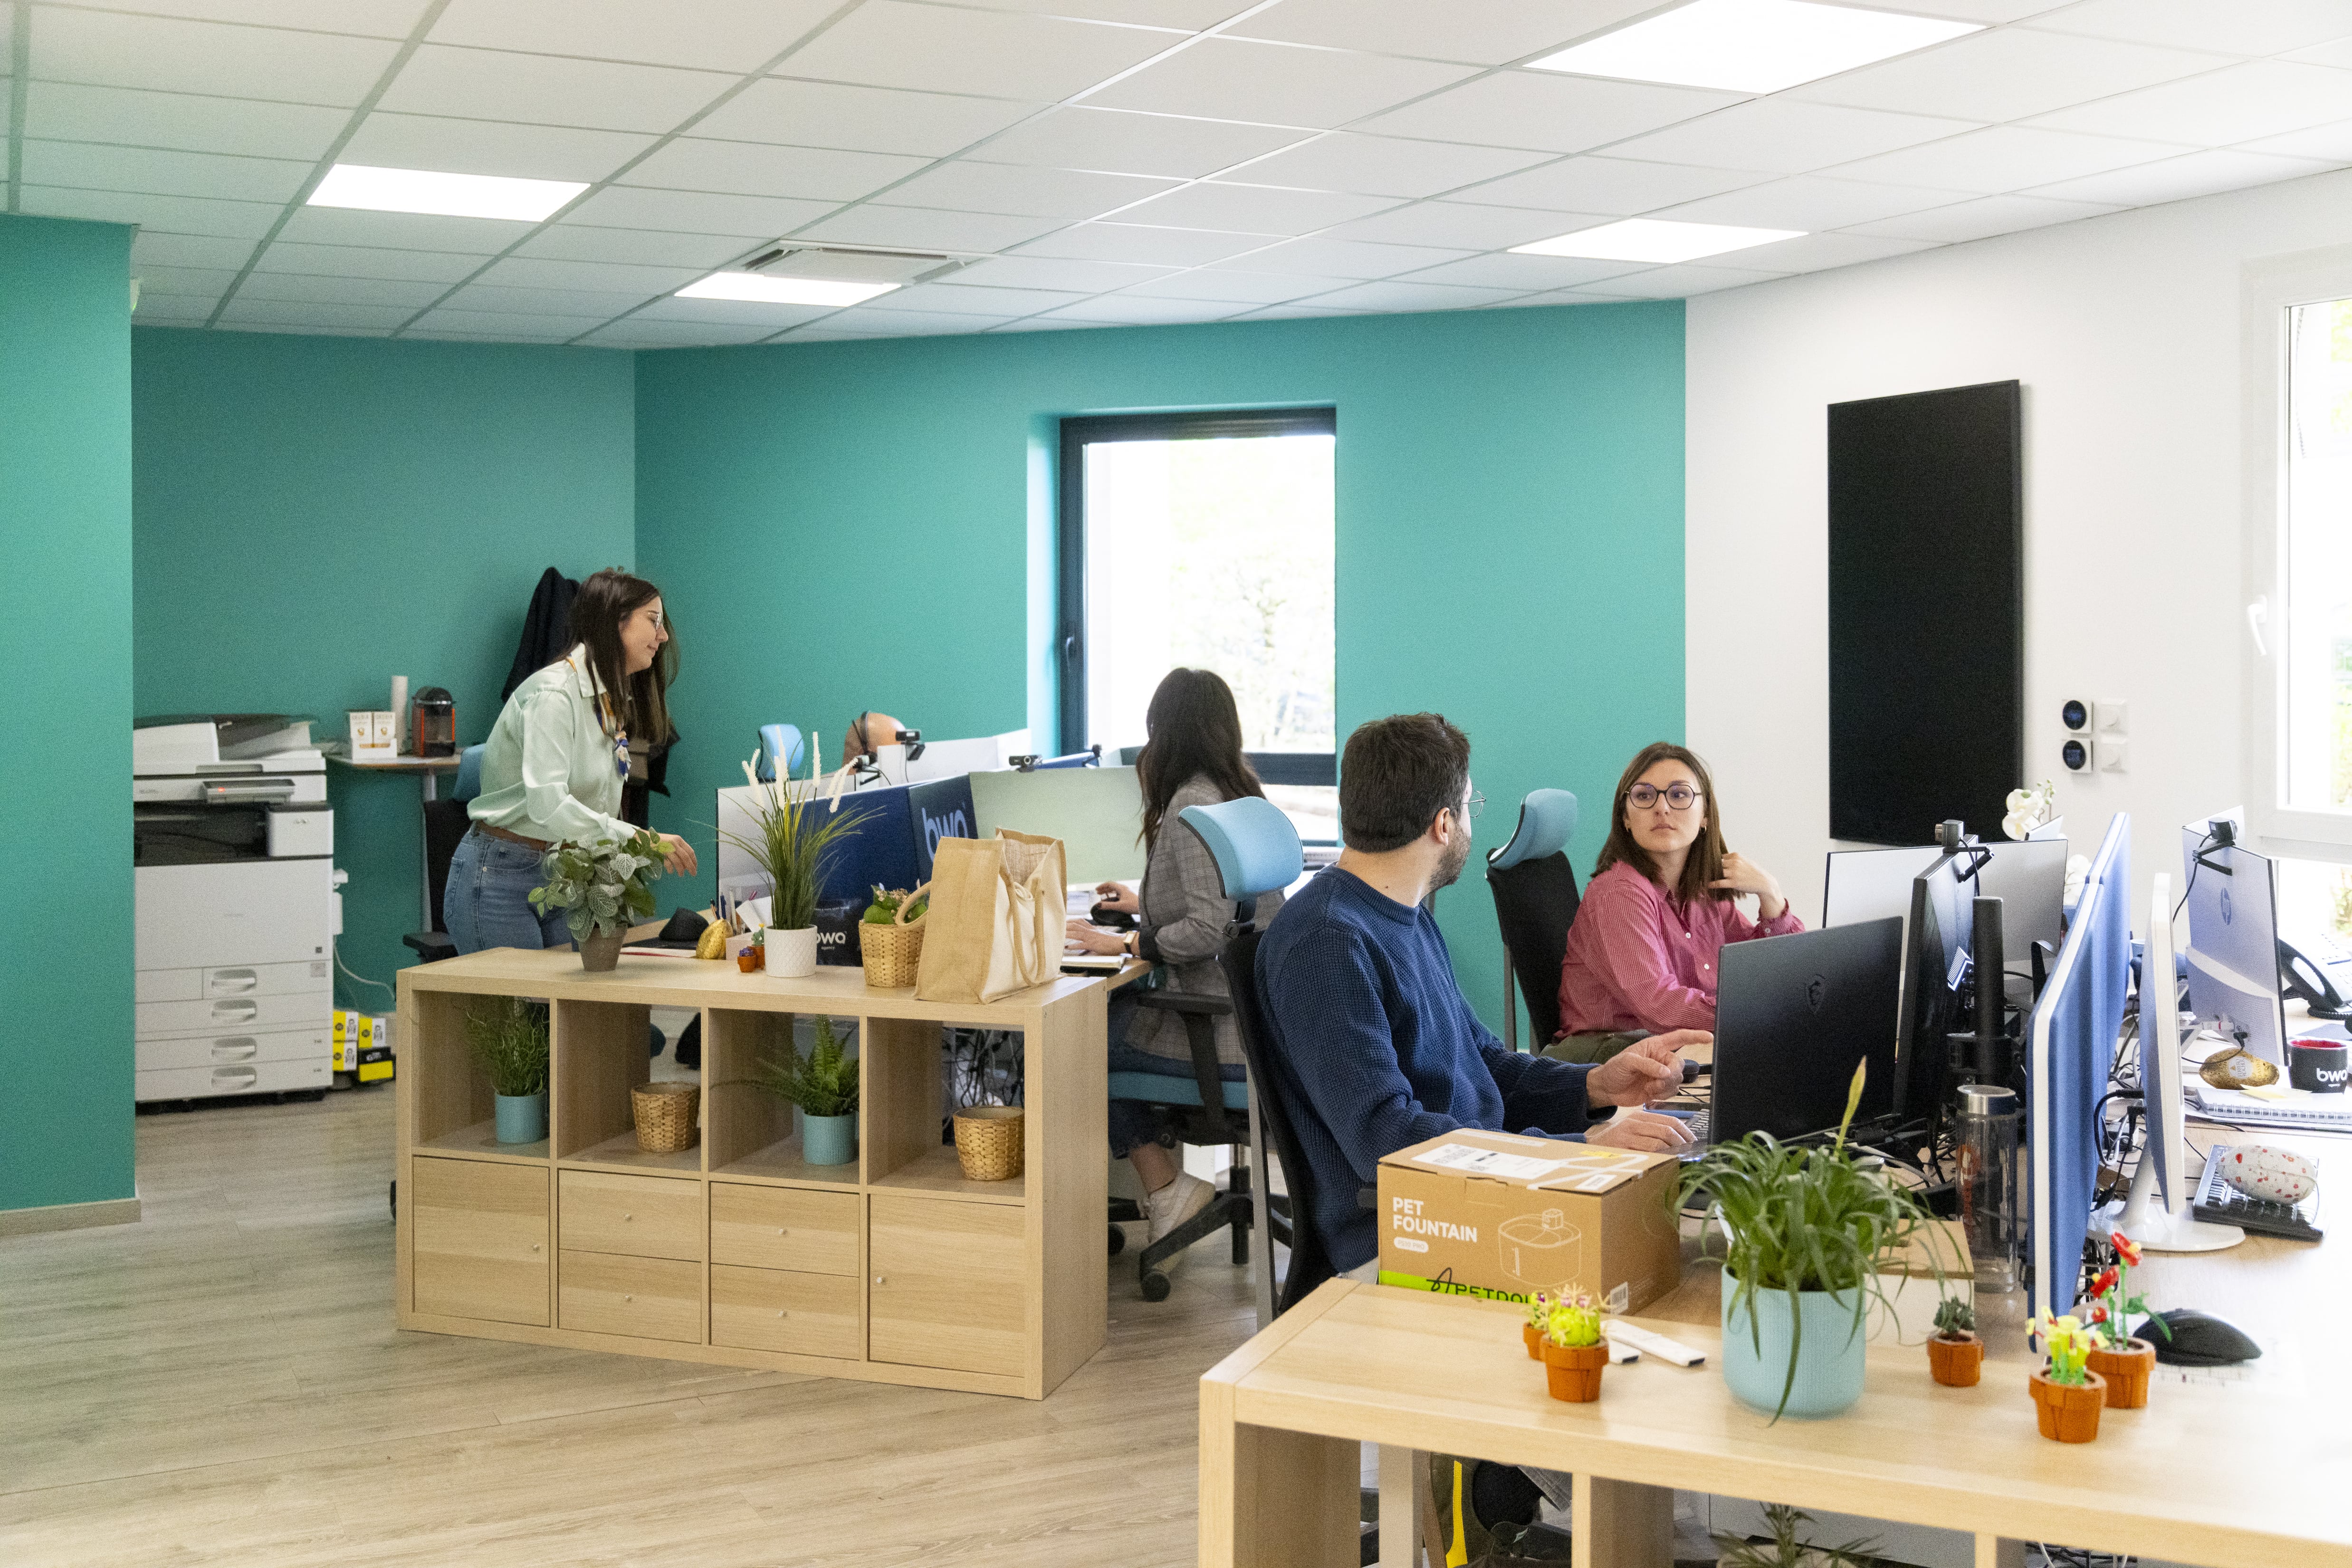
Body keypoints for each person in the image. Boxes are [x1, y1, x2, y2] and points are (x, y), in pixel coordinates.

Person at [1257, 713, 1699, 1277]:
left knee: (1689, 1232)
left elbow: (1484, 1064)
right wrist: (1581, 1145)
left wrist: (1594, 1084)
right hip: (1413, 1230)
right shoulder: (1327, 942)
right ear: (1444, 823)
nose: (1470, 820)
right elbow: (1387, 1138)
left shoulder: (1406, 917)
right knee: (1678, 1267)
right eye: (1470, 806)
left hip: (1483, 1191)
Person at [1065, 669, 1283, 1258]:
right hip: (1257, 1021)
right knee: (1100, 1029)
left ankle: (1164, 1187)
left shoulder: (1192, 804)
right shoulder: (1235, 793)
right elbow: (1228, 905)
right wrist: (1146, 906)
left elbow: (1209, 930)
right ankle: (1162, 1184)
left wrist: (1130, 944)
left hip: (1217, 1027)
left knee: (1074, 1048)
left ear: (1165, 733)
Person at [446, 569, 699, 953]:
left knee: (574, 1009)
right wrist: (642, 839)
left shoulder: (609, 700)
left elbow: (599, 803)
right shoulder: (555, 695)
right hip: (499, 876)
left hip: (564, 875)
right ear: (616, 622)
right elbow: (548, 805)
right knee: (520, 1013)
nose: (663, 636)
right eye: (654, 621)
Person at [1554, 742, 1799, 1053]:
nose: (1662, 808)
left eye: (1679, 794)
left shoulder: (1702, 889)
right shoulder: (1618, 894)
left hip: (1667, 1043)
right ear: (1626, 818)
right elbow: (1661, 1008)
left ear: (1706, 815)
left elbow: (1768, 970)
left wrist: (1771, 892)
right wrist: (1757, 1013)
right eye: (1644, 796)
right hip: (1608, 1051)